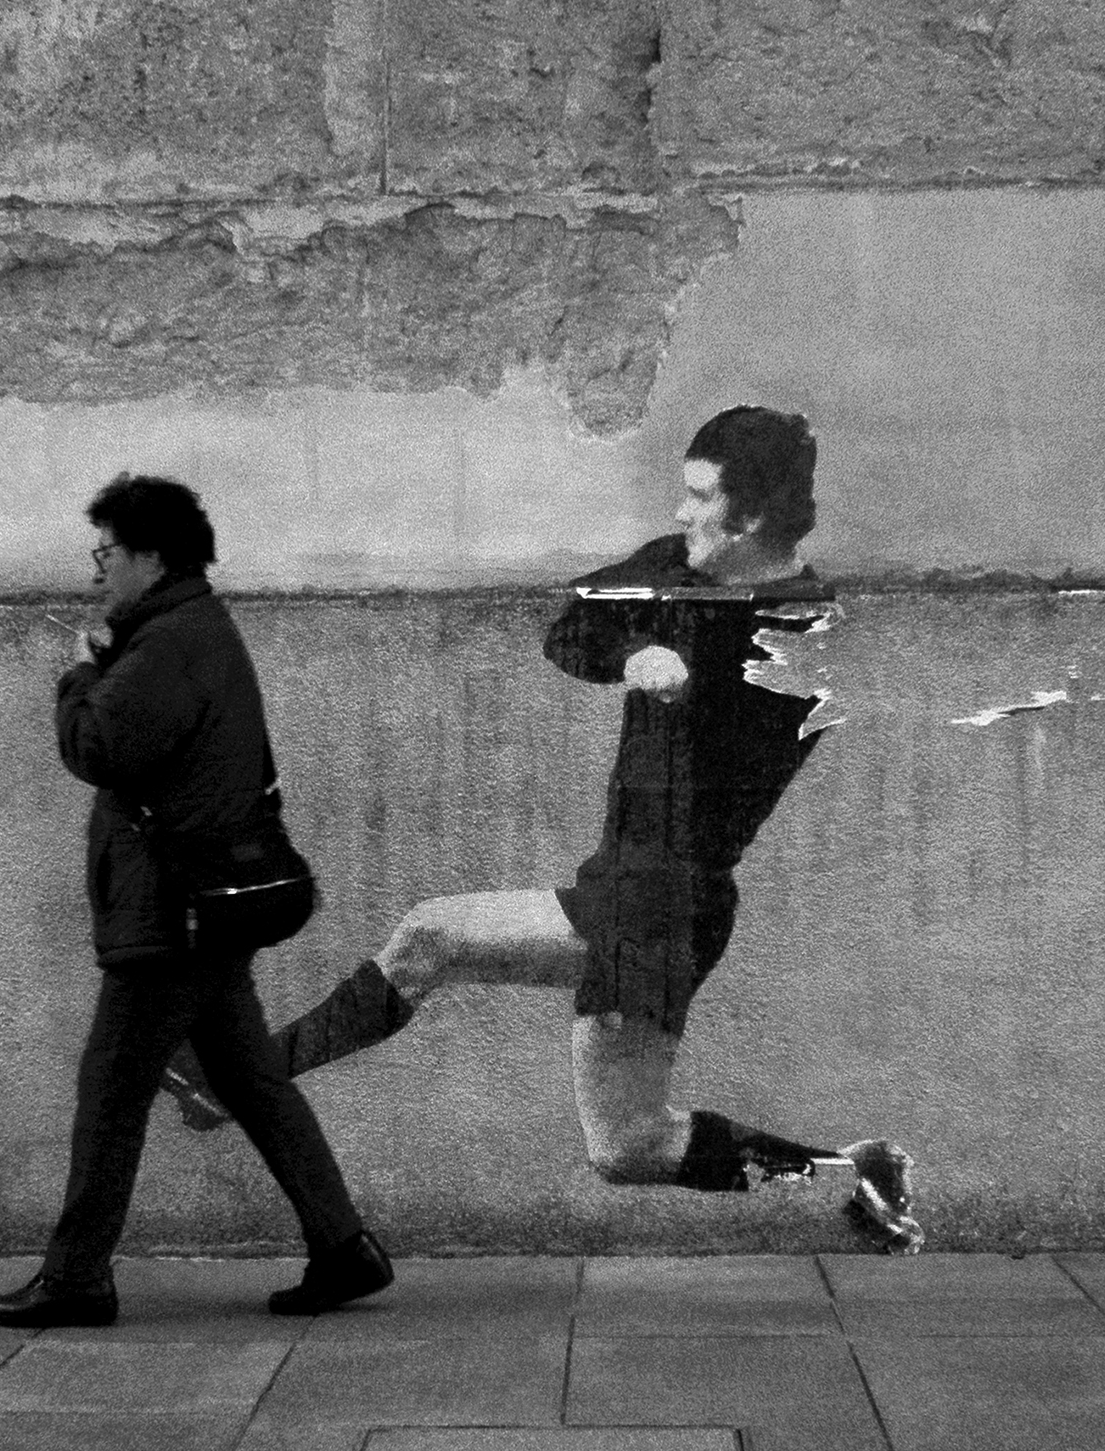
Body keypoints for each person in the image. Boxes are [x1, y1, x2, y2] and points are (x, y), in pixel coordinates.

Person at [165, 407, 922, 1253]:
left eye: (698, 496)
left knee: (629, 1146)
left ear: (748, 517)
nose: (678, 514)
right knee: (431, 938)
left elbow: (725, 752)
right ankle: (231, 1082)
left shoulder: (803, 635)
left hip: (664, 908)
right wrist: (634, 648)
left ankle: (846, 1179)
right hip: (622, 885)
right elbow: (572, 626)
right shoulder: (677, 567)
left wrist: (686, 666)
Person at [0, 474, 396, 1327]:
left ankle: (77, 1278)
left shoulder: (169, 642)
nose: (95, 572)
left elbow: (99, 746)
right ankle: (343, 1248)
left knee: (111, 1093)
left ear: (151, 557)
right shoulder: (185, 630)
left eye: (105, 554)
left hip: (173, 913)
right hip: (204, 903)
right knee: (252, 1082)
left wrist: (73, 678)